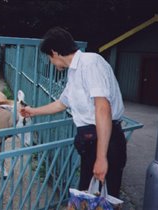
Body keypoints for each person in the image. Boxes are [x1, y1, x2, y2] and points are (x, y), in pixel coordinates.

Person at [20, 26, 126, 198]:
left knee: (104, 199)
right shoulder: (74, 72)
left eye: (49, 57)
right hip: (91, 143)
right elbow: (62, 104)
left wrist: (101, 157)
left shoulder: (90, 63)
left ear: (54, 52)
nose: (51, 62)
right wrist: (33, 111)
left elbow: (103, 108)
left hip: (103, 142)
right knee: (88, 198)